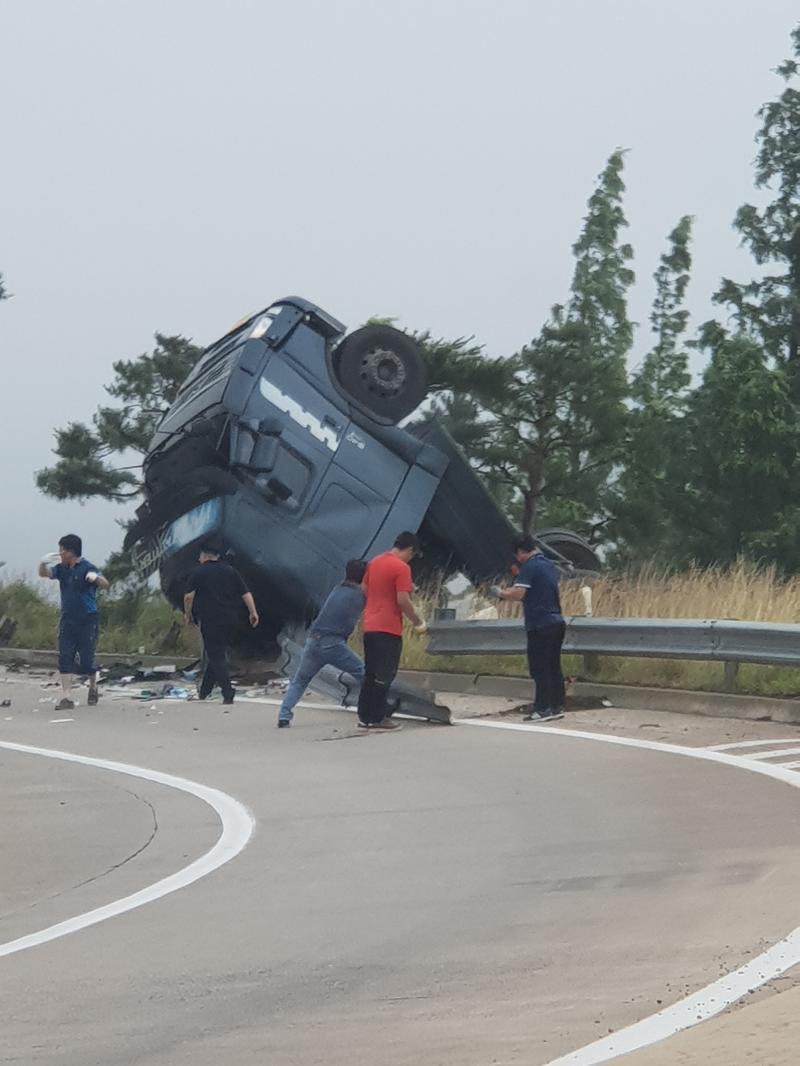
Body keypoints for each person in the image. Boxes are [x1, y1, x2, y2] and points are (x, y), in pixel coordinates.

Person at [277, 559, 368, 728]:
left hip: (313, 641)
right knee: (364, 674)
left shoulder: (337, 589)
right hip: (333, 643)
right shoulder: (358, 596)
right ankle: (373, 708)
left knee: (300, 681)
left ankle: (284, 716)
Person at [490, 534, 565, 723]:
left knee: (540, 668)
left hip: (539, 624)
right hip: (556, 621)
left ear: (521, 552)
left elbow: (518, 593)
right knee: (553, 666)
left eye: (517, 555)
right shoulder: (548, 564)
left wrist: (500, 592)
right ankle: (556, 705)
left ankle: (542, 708)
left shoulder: (530, 566)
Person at [357, 531, 427, 731]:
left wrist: (376, 602)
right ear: (410, 550)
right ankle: (379, 717)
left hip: (370, 624)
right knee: (385, 673)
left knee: (370, 672)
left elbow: (364, 587)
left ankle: (365, 715)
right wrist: (416, 620)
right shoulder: (401, 567)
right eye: (412, 555)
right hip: (388, 627)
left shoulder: (375, 561)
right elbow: (403, 600)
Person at [38, 534, 110, 711]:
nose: (60, 553)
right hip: (68, 618)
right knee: (65, 656)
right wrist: (42, 563)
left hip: (87, 618)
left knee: (86, 661)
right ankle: (66, 697)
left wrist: (95, 578)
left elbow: (105, 583)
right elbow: (45, 574)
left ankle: (93, 683)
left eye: (62, 549)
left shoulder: (87, 567)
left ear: (71, 551)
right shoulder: (62, 568)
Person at [183, 543, 259, 705]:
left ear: (205, 556)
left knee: (216, 655)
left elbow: (188, 597)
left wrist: (188, 614)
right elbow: (245, 593)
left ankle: (227, 691)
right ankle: (205, 691)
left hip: (211, 619)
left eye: (200, 556)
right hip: (231, 619)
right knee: (217, 653)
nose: (199, 558)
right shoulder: (230, 571)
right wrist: (253, 612)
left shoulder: (199, 572)